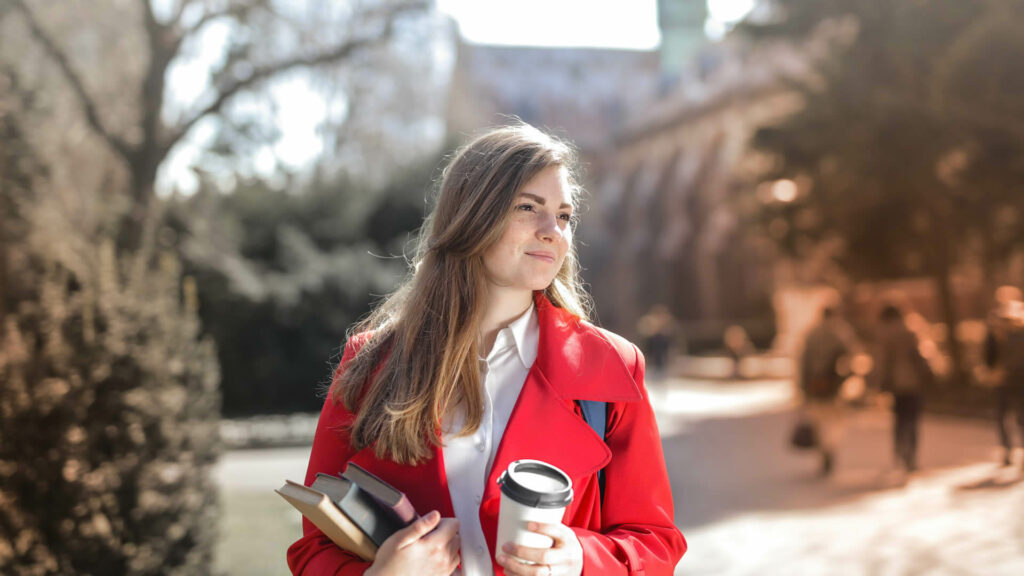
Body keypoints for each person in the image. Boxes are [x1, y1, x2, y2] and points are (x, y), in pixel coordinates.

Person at [287, 124, 686, 576]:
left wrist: (580, 559)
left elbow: (655, 543)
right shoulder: (371, 361)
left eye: (564, 215)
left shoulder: (611, 368)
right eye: (527, 208)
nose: (552, 231)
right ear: (472, 217)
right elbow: (313, 550)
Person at [872, 304, 933, 473]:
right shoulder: (911, 330)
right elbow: (921, 357)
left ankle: (899, 452)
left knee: (899, 420)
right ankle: (911, 456)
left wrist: (880, 384)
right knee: (912, 420)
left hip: (896, 385)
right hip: (914, 383)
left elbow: (882, 363)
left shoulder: (884, 335)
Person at [797, 306, 853, 477]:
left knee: (819, 421)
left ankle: (824, 451)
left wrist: (803, 386)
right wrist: (844, 380)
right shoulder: (840, 333)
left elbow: (803, 362)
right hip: (832, 386)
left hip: (813, 386)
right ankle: (829, 450)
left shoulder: (811, 334)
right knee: (833, 421)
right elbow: (849, 358)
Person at [984, 288, 1024, 468]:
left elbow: (988, 355)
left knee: (1002, 415)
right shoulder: (1022, 323)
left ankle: (1007, 450)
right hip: (1021, 376)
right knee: (1021, 416)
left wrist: (989, 370)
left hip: (1002, 377)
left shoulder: (995, 326)